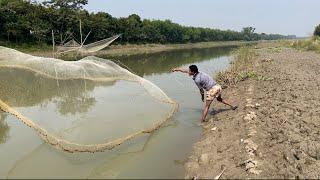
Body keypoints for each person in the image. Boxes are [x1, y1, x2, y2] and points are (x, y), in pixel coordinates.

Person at [172, 65, 238, 123]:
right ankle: (232, 106)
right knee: (219, 99)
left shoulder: (197, 80)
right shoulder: (199, 72)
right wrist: (176, 69)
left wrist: (202, 97)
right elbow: (184, 70)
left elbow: (201, 90)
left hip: (212, 91)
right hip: (218, 87)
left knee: (206, 107)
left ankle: (202, 121)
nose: (188, 71)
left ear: (193, 72)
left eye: (189, 71)